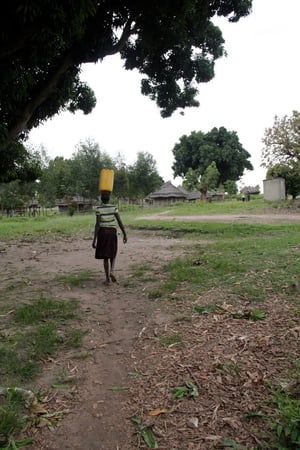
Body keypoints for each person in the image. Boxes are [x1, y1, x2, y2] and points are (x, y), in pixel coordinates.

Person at [92, 192, 127, 285]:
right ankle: (112, 271)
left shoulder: (98, 209)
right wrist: (124, 233)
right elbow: (119, 222)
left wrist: (94, 239)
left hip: (103, 233)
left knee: (105, 256)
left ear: (101, 199)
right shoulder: (113, 208)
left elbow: (97, 225)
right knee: (113, 252)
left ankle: (107, 279)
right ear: (109, 198)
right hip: (112, 232)